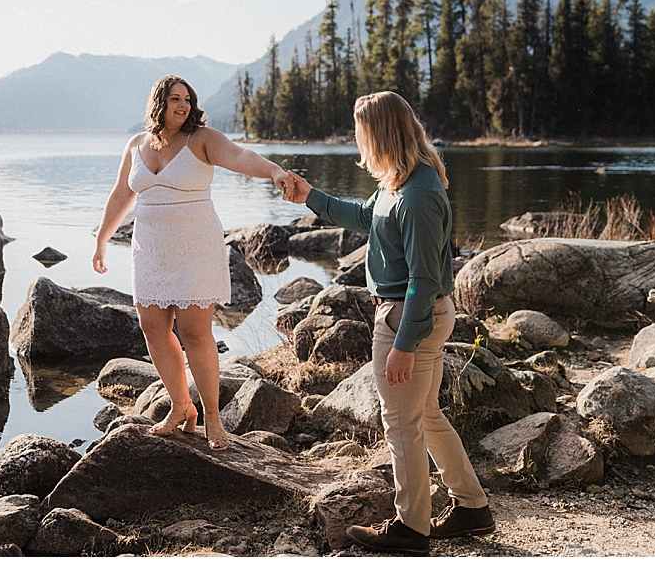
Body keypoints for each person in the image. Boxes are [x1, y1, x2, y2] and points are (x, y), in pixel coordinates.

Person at [281, 91, 493, 555]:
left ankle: (411, 530)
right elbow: (365, 216)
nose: (357, 140)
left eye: (360, 132)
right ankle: (473, 509)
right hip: (412, 314)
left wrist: (403, 343)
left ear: (380, 133)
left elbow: (422, 279)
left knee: (399, 424)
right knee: (426, 416)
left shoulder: (418, 194)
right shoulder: (399, 183)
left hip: (407, 316)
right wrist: (311, 197)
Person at [94, 75, 291, 451]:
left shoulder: (202, 138)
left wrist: (275, 172)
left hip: (195, 245)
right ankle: (182, 406)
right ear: (158, 104)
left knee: (195, 333)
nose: (182, 105)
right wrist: (103, 240)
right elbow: (121, 194)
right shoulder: (136, 144)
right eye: (174, 99)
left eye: (187, 99)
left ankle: (213, 419)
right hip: (150, 247)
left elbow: (239, 156)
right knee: (152, 326)